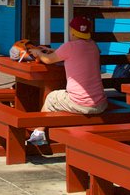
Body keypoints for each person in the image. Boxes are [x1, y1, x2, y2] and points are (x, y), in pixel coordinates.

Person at [26, 15, 108, 145]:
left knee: (51, 98)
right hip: (100, 103)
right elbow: (73, 53)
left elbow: (48, 59)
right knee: (62, 96)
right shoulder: (93, 45)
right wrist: (52, 50)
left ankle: (39, 133)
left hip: (81, 104)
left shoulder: (69, 46)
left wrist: (39, 53)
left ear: (72, 32)